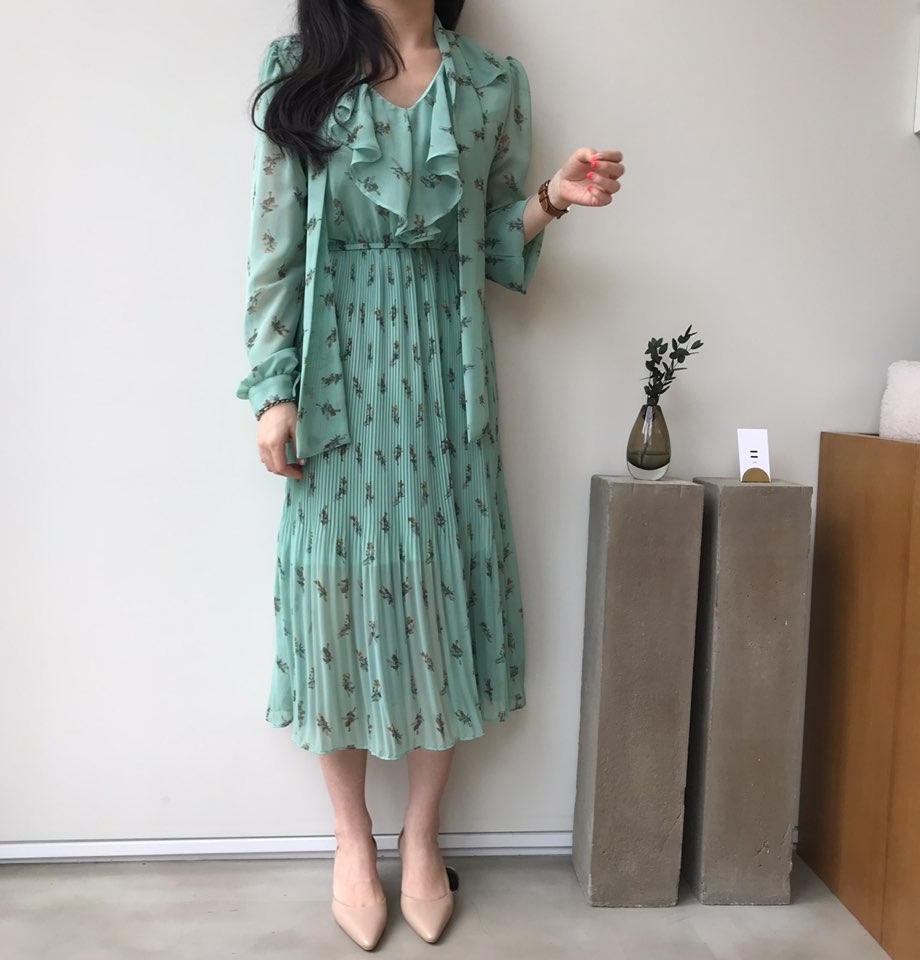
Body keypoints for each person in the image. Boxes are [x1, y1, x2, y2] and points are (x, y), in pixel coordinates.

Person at [236, 0, 624, 949]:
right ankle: (349, 840)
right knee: (332, 590)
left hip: (447, 370)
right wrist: (272, 390)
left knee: (439, 591)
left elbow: (492, 244)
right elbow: (275, 244)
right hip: (333, 370)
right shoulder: (301, 68)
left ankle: (421, 835)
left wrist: (551, 199)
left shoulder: (492, 82)